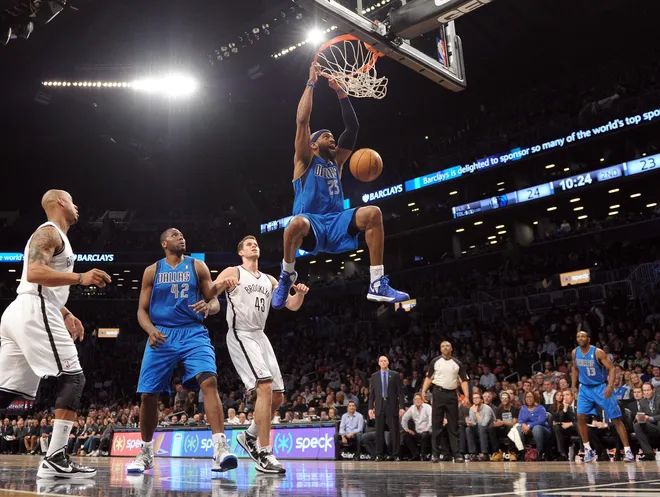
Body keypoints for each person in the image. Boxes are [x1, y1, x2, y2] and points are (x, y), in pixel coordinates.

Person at [271, 62, 409, 309]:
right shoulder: (304, 161)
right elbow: (302, 121)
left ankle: (377, 283)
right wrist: (311, 83)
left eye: (332, 136)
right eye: (325, 136)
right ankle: (287, 275)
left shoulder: (339, 161)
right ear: (313, 145)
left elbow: (353, 127)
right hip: (311, 223)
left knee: (373, 213)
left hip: (336, 222)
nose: (331, 137)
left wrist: (340, 91)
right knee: (294, 223)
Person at [0, 190, 110, 479]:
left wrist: (66, 313)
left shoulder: (57, 237)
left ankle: (55, 458)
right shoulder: (49, 233)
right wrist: (80, 278)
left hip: (23, 310)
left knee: (5, 392)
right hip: (33, 310)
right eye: (73, 201)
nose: (77, 207)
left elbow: (37, 283)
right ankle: (55, 458)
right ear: (60, 203)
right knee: (74, 376)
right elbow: (35, 273)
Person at [127, 228, 238, 474]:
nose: (182, 237)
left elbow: (213, 300)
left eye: (183, 235)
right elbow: (141, 310)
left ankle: (220, 447)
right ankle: (146, 451)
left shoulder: (197, 266)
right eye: (175, 235)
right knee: (147, 395)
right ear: (164, 243)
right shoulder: (152, 271)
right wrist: (150, 330)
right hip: (162, 334)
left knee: (209, 380)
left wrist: (209, 307)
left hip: (192, 332)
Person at [217, 235, 309, 474]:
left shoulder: (269, 279)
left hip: (260, 336)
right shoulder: (233, 271)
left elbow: (291, 305)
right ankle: (265, 452)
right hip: (240, 333)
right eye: (248, 244)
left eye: (256, 243)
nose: (254, 245)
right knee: (265, 386)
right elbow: (211, 290)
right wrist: (222, 285)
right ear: (241, 252)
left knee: (278, 397)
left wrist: (299, 293)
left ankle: (249, 437)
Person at [572, 330, 635, 462]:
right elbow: (575, 368)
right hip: (585, 388)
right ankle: (587, 449)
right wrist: (573, 385)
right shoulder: (575, 352)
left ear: (589, 339)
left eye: (583, 336)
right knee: (580, 417)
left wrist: (610, 386)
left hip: (600, 387)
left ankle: (628, 451)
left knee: (616, 419)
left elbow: (611, 368)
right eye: (578, 336)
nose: (580, 338)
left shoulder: (597, 352)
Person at [421, 341, 470, 463]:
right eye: (443, 346)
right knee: (436, 424)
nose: (445, 348)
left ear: (451, 348)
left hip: (452, 394)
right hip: (438, 393)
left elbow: (464, 381)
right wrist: (423, 391)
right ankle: (435, 454)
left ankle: (457, 454)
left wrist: (467, 396)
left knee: (453, 425)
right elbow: (428, 378)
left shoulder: (457, 363)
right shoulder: (435, 362)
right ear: (440, 348)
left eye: (447, 346)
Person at [368, 356, 405, 461]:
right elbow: (372, 394)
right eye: (381, 361)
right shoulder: (374, 376)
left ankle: (396, 454)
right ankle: (380, 454)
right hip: (379, 405)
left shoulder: (395, 375)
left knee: (394, 430)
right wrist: (370, 408)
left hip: (392, 404)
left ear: (388, 362)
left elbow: (400, 393)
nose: (383, 362)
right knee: (379, 431)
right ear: (379, 363)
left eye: (385, 361)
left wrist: (401, 407)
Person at [401, 393, 432, 461]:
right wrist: (407, 429)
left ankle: (423, 456)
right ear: (413, 401)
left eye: (419, 399)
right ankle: (416, 455)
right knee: (406, 435)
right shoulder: (412, 408)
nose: (417, 401)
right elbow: (404, 419)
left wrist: (427, 429)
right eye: (415, 399)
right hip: (418, 432)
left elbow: (431, 419)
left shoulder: (427, 407)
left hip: (428, 431)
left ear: (422, 400)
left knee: (425, 435)